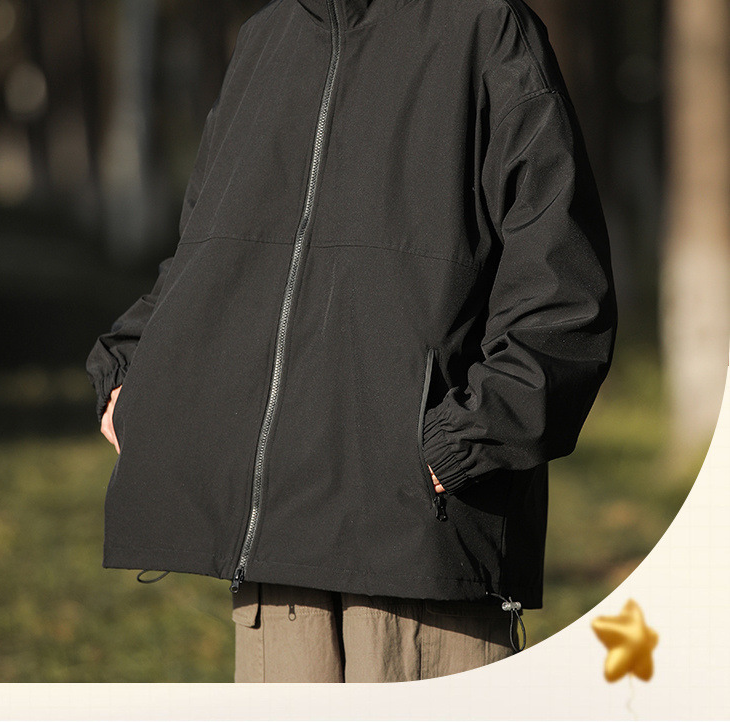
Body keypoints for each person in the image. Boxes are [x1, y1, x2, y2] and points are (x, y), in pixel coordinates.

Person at [86, 0, 617, 683]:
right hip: (277, 554)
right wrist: (132, 366)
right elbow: (209, 248)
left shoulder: (486, 25)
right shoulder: (267, 36)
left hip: (419, 546)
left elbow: (564, 288)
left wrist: (463, 442)